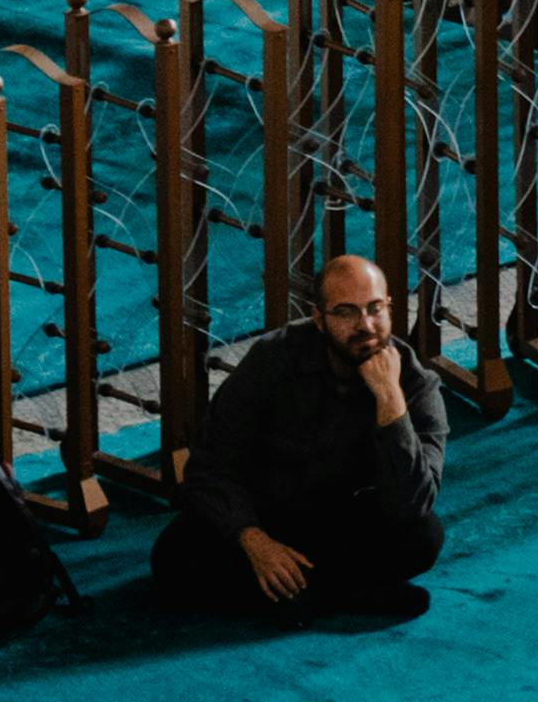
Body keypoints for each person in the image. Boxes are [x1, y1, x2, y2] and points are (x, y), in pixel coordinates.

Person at [146, 249, 446, 620]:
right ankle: (346, 595)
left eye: (374, 308)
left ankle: (302, 599)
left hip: (340, 522)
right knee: (173, 558)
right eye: (346, 311)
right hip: (264, 512)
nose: (365, 325)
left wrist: (390, 401)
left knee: (424, 537)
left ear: (390, 308)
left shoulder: (416, 386)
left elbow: (412, 505)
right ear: (319, 319)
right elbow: (209, 467)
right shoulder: (272, 359)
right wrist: (254, 541)